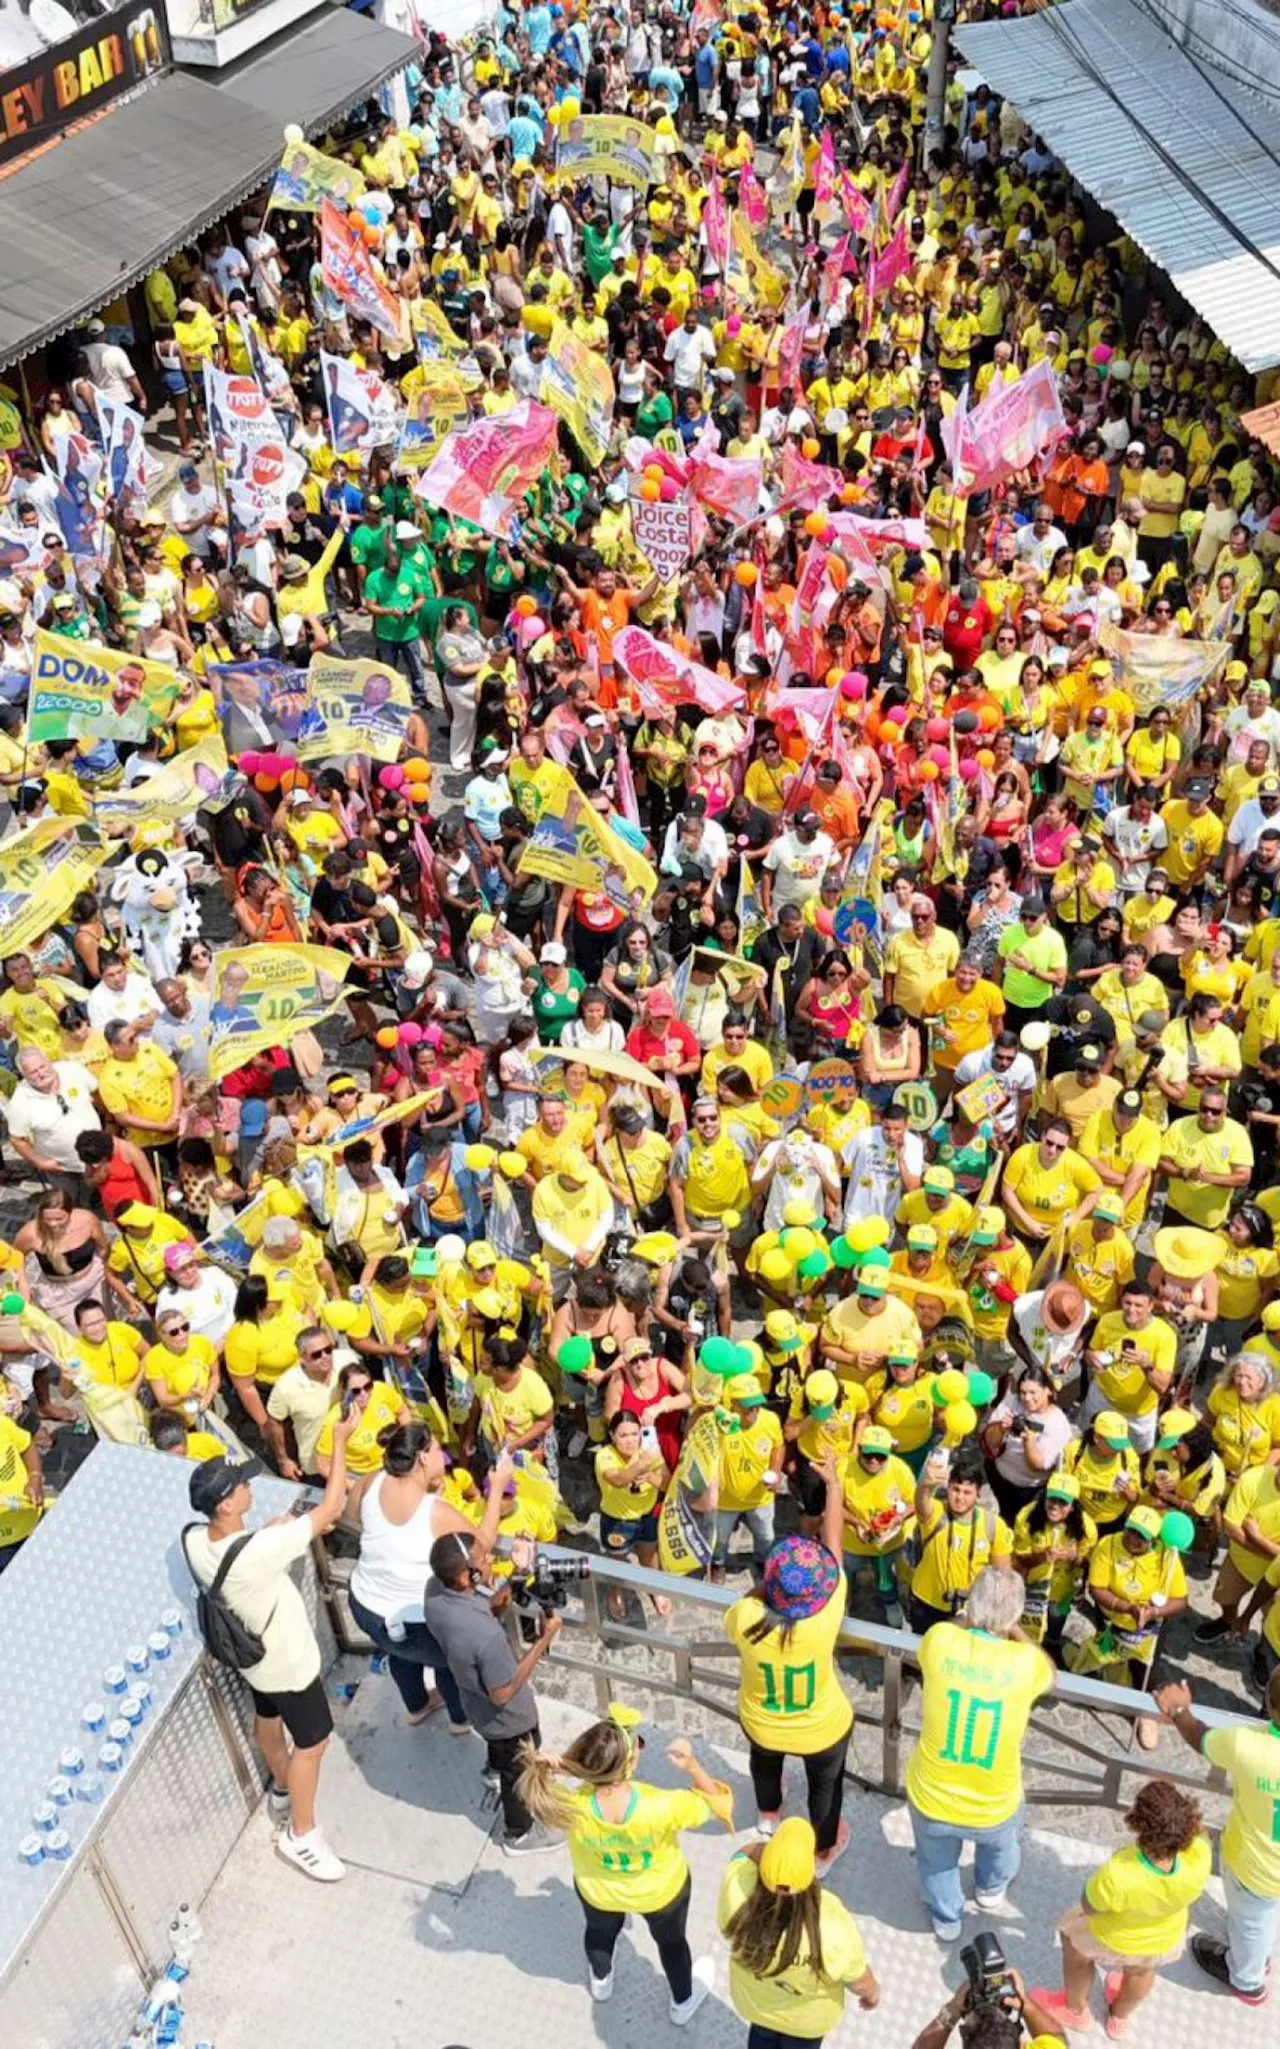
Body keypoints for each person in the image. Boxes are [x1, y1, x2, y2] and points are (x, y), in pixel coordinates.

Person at [182, 1433, 356, 1882]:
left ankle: (281, 1786)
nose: (249, 1487)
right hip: (289, 1664)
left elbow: (242, 1551)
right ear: (224, 1505)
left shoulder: (194, 1540)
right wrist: (341, 1443)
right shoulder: (258, 1552)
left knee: (268, 1721)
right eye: (240, 1485)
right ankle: (302, 1834)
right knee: (314, 1742)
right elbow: (332, 1506)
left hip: (255, 1664)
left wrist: (271, 1532)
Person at [516, 1710, 727, 2021]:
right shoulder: (663, 1805)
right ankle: (682, 2002)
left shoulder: (570, 1805)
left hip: (598, 1890)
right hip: (662, 1893)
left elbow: (562, 1783)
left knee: (599, 1934)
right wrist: (692, 1765)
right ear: (629, 1766)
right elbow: (717, 1805)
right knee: (671, 1945)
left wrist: (562, 1765)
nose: (640, 1748)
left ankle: (601, 1981)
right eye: (636, 1745)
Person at [904, 1565, 1054, 1942]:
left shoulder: (939, 1640)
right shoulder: (1026, 1663)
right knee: (1001, 1847)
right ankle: (990, 1890)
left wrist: (966, 1618)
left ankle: (947, 1917)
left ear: (970, 1607)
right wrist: (1015, 1630)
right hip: (994, 1801)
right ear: (1015, 1615)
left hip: (933, 1796)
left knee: (936, 1863)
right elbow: (1051, 1672)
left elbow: (948, 1633)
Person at [724, 1456, 853, 1872]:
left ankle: (768, 1816)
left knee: (764, 1763)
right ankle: (822, 1851)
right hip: (821, 1727)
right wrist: (833, 1487)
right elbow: (834, 1545)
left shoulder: (746, 1619)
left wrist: (765, 1588)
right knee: (825, 1787)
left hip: (763, 1720)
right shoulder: (825, 1615)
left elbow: (753, 1599)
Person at [348, 1424, 510, 1730]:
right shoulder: (434, 1511)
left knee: (401, 1656)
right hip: (418, 1624)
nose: (443, 1456)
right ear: (422, 1458)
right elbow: (481, 1544)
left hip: (366, 1608)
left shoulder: (372, 1480)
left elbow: (351, 1514)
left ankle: (417, 1707)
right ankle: (460, 1721)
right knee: (450, 1665)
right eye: (437, 1449)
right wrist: (497, 1487)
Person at [422, 1528, 562, 1856]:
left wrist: (517, 1573)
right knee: (520, 1768)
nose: (489, 1563)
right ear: (464, 1575)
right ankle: (519, 1833)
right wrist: (544, 1639)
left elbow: (487, 1608)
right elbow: (503, 1693)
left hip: (474, 1704)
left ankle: (493, 1771)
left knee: (499, 1749)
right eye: (483, 1560)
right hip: (508, 1718)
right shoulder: (485, 1638)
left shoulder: (435, 1592)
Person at [1036, 1779, 1210, 2036]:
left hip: (1113, 1938)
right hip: (1162, 1940)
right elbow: (1203, 1836)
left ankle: (1075, 2011)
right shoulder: (1198, 1857)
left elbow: (1090, 1905)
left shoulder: (1120, 1871)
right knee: (1141, 1973)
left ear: (1138, 1824)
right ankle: (1118, 2018)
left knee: (1073, 1945)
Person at [1155, 1670, 1280, 2007]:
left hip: (1256, 1868)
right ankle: (1254, 1952)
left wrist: (1180, 1710)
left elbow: (1201, 1738)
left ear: (1269, 1706)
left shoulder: (1247, 1744)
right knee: (1262, 1916)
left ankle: (1246, 1978)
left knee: (1252, 1919)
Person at [718, 1817, 881, 2046]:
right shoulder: (831, 1922)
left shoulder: (734, 1892)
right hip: (807, 2024)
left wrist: (776, 1857)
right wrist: (872, 1994)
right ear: (811, 1868)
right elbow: (859, 1981)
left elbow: (742, 1854)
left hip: (756, 2007)